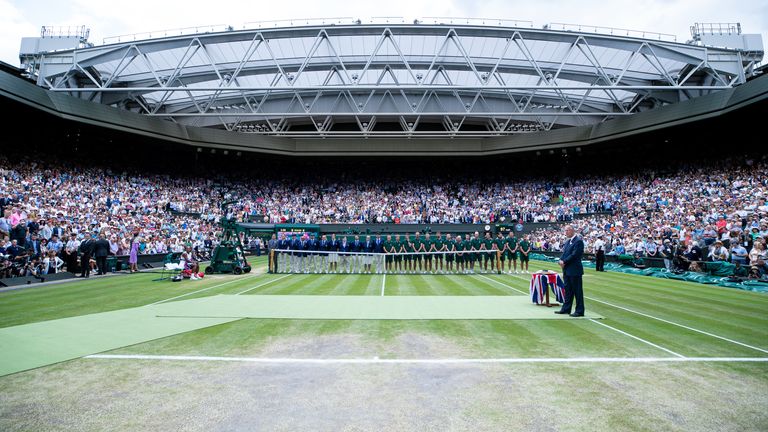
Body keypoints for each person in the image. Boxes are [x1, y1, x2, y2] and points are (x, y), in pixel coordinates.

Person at [556, 225, 585, 317]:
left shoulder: (578, 241)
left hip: (575, 270)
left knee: (577, 291)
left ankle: (579, 310)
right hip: (567, 269)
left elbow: (575, 255)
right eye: (565, 230)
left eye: (567, 230)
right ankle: (566, 308)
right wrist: (560, 260)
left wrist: (564, 261)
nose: (566, 232)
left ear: (572, 230)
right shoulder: (568, 242)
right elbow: (564, 253)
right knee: (568, 290)